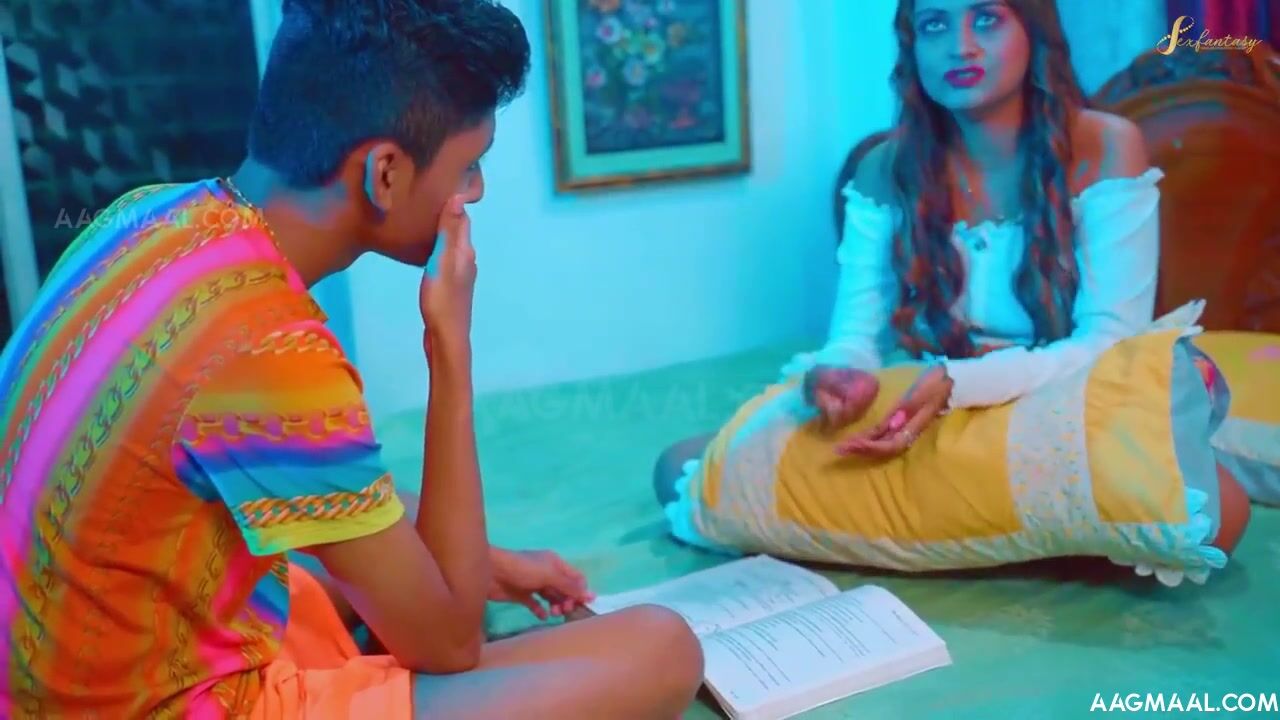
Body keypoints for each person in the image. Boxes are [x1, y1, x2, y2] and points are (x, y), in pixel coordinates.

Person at [0, 1, 703, 718]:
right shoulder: (270, 346)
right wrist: (449, 349)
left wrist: (488, 562)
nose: (476, 192)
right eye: (468, 167)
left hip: (44, 674)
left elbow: (311, 483)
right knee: (661, 648)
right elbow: (451, 643)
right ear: (386, 173)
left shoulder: (142, 216)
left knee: (323, 575)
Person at [654, 0, 1250, 559]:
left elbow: (1109, 344)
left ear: (1032, 31)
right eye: (934, 26)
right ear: (912, 47)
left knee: (1218, 509)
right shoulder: (882, 168)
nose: (959, 46)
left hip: (1060, 404)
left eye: (986, 19)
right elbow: (855, 339)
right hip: (922, 409)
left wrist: (961, 382)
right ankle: (996, 536)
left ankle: (949, 531)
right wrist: (840, 373)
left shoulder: (1106, 145)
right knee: (686, 468)